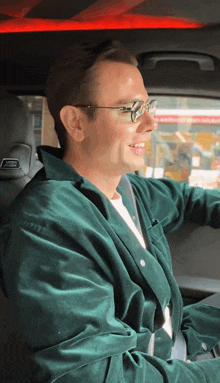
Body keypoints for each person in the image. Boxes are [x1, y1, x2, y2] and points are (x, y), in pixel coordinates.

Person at [1, 38, 220, 383]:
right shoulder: (46, 226)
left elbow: (186, 199)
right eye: (130, 109)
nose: (150, 124)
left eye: (149, 107)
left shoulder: (126, 188)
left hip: (174, 347)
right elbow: (94, 373)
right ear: (76, 122)